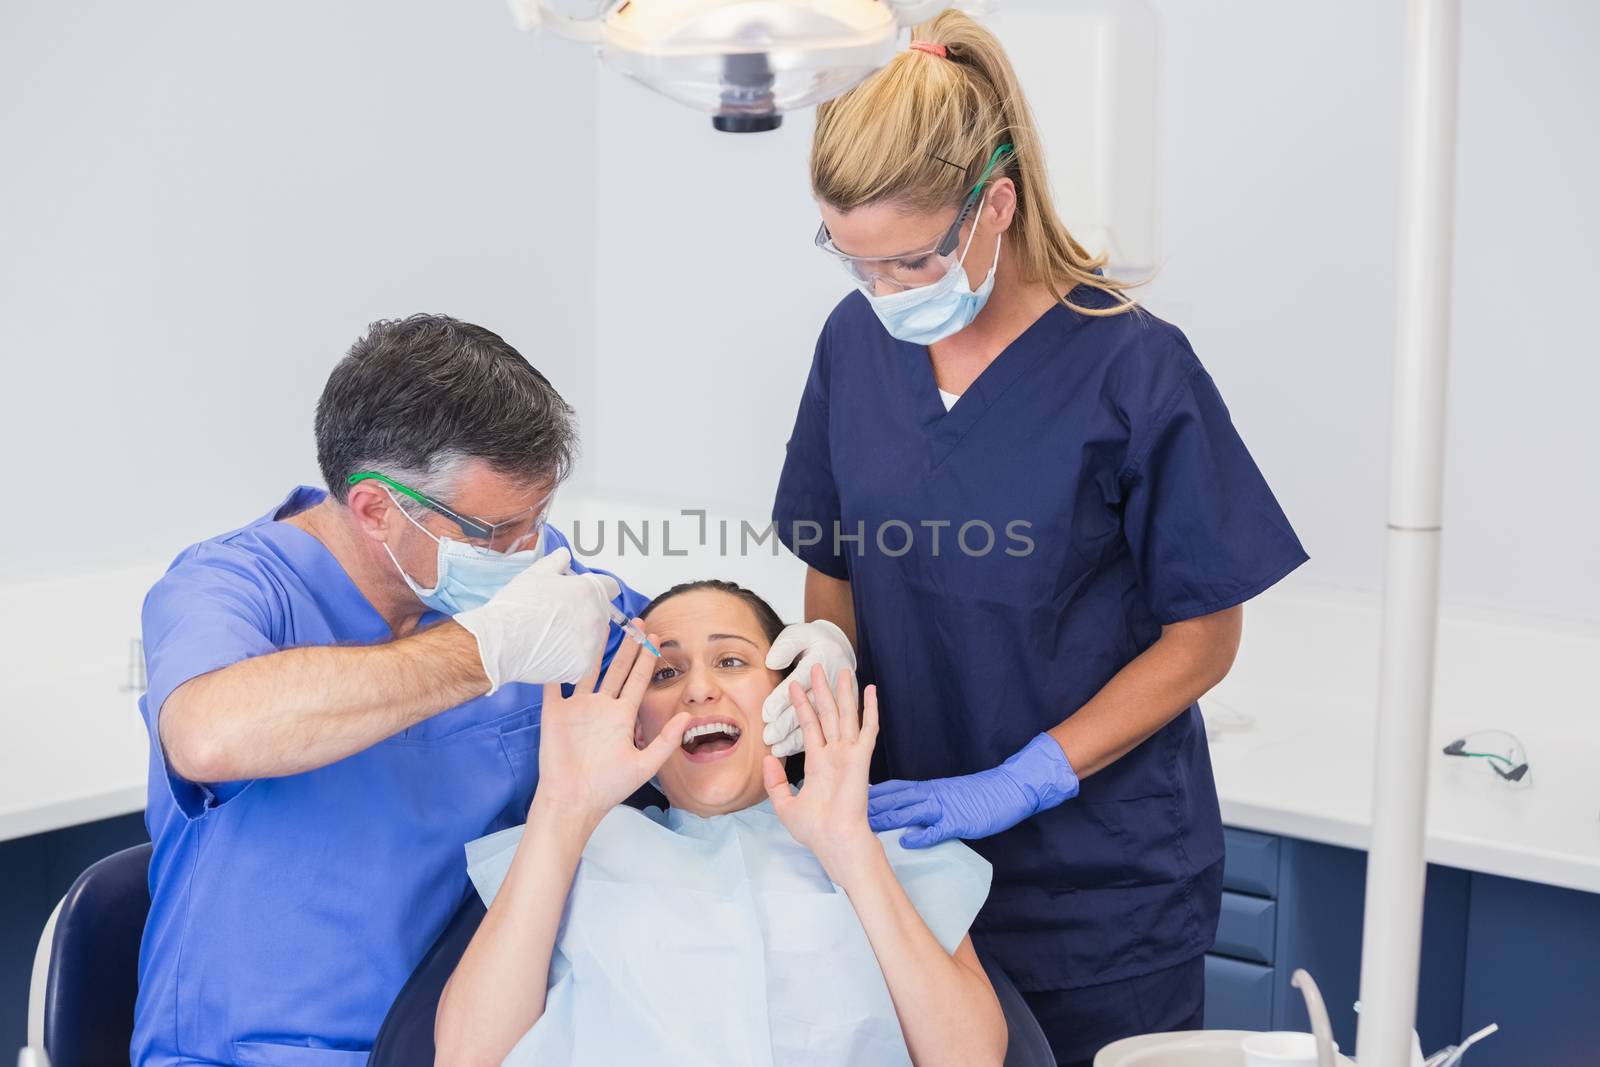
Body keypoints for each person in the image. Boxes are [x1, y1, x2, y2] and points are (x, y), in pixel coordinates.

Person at [770, 11, 1309, 1065]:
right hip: (908, 864)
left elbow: (1202, 640)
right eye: (854, 262)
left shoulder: (1135, 371)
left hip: (1097, 893)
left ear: (994, 206)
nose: (882, 293)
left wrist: (1024, 776)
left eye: (909, 260)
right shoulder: (854, 343)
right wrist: (826, 649)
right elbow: (829, 558)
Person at [135, 315, 652, 1065]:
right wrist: (484, 649)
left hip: (458, 1039)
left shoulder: (515, 572)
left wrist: (797, 685)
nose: (527, 550)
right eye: (497, 529)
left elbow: (672, 667)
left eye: (537, 520)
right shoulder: (231, 587)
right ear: (377, 508)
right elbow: (208, 733)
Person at [436, 581, 1006, 1067]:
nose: (699, 688)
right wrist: (561, 811)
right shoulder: (572, 849)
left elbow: (972, 1057)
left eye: (731, 661)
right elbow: (467, 1058)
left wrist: (850, 850)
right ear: (635, 725)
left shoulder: (881, 839)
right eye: (665, 672)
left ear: (790, 690)